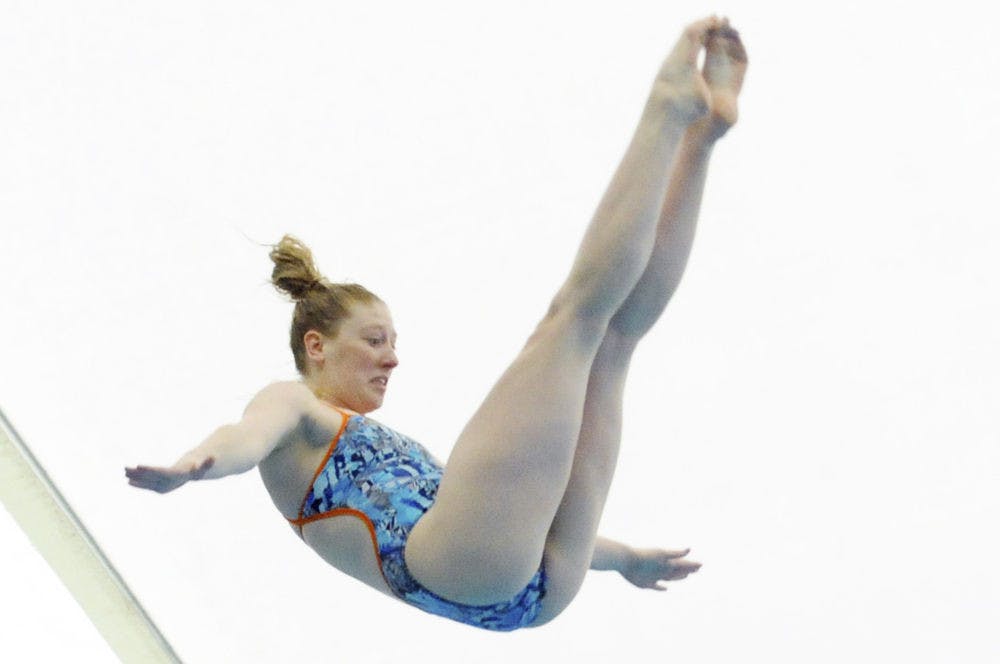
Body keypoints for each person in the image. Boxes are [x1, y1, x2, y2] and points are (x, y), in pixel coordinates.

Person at [126, 15, 747, 631]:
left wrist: (625, 561)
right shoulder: (291, 406)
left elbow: (519, 506)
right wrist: (192, 465)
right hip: (464, 568)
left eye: (392, 343)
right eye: (373, 341)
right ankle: (667, 112)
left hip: (534, 580)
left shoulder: (376, 446)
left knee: (614, 340)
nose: (392, 359)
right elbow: (244, 437)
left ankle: (702, 137)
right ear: (316, 347)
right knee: (573, 322)